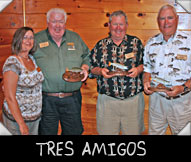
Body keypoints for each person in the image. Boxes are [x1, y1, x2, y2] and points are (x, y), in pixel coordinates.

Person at [34, 8, 90, 135]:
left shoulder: (75, 38)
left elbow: (87, 56)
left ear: (65, 23)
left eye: (61, 21)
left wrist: (85, 67)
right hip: (46, 99)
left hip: (72, 98)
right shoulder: (36, 40)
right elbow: (24, 59)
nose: (58, 26)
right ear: (47, 22)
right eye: (54, 21)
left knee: (73, 133)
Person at [90, 10, 145, 135]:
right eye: (115, 24)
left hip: (133, 101)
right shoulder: (100, 45)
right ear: (109, 25)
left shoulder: (136, 43)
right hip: (107, 101)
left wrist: (138, 70)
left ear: (126, 25)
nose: (118, 28)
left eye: (121, 24)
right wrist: (100, 71)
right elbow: (91, 67)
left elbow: (146, 65)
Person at [143, 4, 191, 135]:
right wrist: (146, 81)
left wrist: (183, 88)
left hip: (181, 102)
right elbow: (147, 69)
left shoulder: (189, 42)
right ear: (158, 21)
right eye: (162, 18)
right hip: (157, 101)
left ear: (177, 19)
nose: (166, 22)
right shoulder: (151, 43)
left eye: (170, 18)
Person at [2, 27, 44, 135]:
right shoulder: (13, 63)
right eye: (25, 37)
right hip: (17, 121)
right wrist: (21, 124)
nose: (28, 41)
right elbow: (10, 97)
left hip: (34, 119)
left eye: (31, 38)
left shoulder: (32, 59)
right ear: (18, 40)